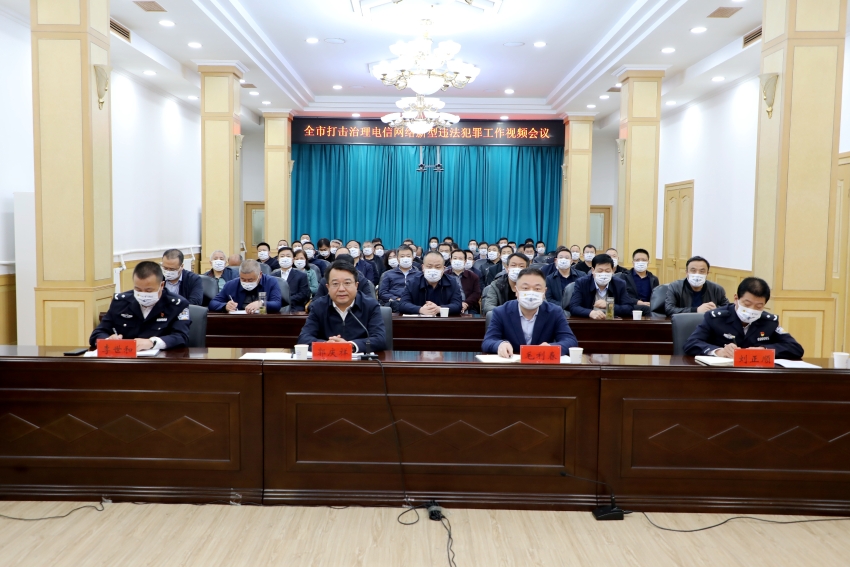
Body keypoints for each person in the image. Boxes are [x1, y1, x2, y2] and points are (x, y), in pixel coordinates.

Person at [684, 277, 804, 359]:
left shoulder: (769, 322)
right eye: (747, 304)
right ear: (736, 299)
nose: (752, 310)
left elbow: (795, 348)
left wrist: (764, 349)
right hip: (722, 375)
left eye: (758, 306)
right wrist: (719, 351)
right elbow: (691, 343)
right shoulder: (715, 318)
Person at [90, 261, 190, 351]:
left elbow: (181, 337)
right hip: (126, 360)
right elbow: (98, 333)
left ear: (161, 285)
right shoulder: (120, 302)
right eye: (138, 289)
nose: (143, 294)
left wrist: (152, 342)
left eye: (149, 290)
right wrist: (108, 340)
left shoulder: (177, 305)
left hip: (161, 361)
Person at [482, 267, 579, 358]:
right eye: (525, 288)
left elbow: (570, 340)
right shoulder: (501, 312)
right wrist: (499, 345)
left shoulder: (554, 312)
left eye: (537, 289)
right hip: (512, 364)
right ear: (516, 290)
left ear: (544, 292)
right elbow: (488, 341)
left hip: (541, 364)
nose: (531, 293)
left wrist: (551, 347)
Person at [297, 260, 386, 352]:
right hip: (329, 357)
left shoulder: (370, 305)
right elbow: (304, 338)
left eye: (347, 283)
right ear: (328, 287)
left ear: (356, 285)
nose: (341, 289)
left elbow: (380, 339)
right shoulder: (318, 306)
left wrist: (350, 346)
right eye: (335, 284)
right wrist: (327, 345)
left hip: (360, 359)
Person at [569, 253, 635, 319]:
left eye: (607, 271)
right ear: (593, 270)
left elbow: (629, 308)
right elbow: (574, 307)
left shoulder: (619, 284)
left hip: (612, 322)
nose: (604, 274)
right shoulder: (582, 283)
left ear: (612, 271)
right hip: (588, 321)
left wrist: (609, 306)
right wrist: (590, 313)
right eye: (600, 271)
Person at [398, 251, 463, 315]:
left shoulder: (452, 282)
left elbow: (458, 305)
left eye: (437, 267)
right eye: (429, 266)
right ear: (423, 267)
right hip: (419, 320)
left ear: (443, 269)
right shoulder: (412, 282)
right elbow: (403, 304)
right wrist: (420, 309)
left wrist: (439, 309)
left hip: (443, 320)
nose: (433, 270)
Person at [209, 259, 283, 314]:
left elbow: (277, 304)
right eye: (243, 279)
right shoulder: (231, 285)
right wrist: (225, 306)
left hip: (264, 321)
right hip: (238, 322)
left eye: (250, 280)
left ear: (260, 275)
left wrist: (261, 304)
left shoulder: (271, 282)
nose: (246, 282)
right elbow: (213, 303)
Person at [618, 248, 659, 315]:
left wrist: (651, 304)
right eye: (637, 260)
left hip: (648, 309)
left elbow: (656, 296)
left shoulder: (653, 279)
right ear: (633, 262)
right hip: (631, 307)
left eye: (644, 260)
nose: (640, 262)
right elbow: (621, 295)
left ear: (648, 262)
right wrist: (637, 302)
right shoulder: (624, 276)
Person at [270, 247, 310, 312]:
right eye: (282, 256)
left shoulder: (302, 275)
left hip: (294, 307)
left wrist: (286, 300)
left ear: (293, 259)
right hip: (276, 308)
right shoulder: (272, 276)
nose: (285, 258)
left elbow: (304, 294)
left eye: (288, 256)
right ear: (278, 259)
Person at [447, 249, 481, 314]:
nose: (457, 261)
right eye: (455, 258)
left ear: (465, 261)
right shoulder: (445, 275)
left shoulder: (473, 276)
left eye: (460, 258)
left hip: (469, 306)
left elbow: (476, 293)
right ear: (451, 260)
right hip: (448, 306)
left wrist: (466, 304)